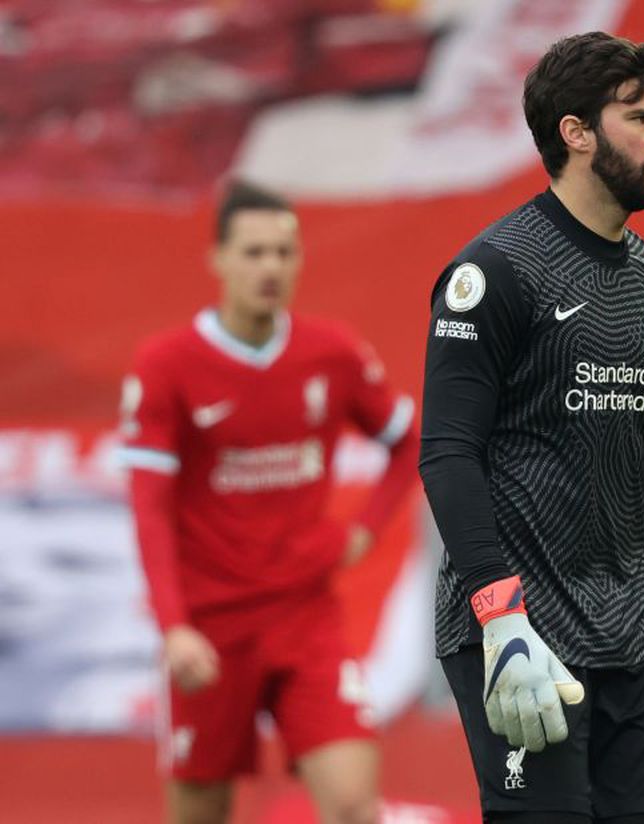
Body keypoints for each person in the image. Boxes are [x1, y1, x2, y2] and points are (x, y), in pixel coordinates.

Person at [419, 31, 644, 824]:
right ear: (576, 133)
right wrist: (500, 617)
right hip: (522, 630)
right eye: (642, 117)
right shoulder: (495, 273)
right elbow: (447, 453)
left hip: (629, 630)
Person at [118, 180, 417, 824]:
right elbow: (149, 508)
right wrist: (173, 627)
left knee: (354, 809)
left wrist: (362, 532)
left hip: (307, 618)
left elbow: (406, 439)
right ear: (218, 259)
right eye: (253, 253)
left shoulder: (331, 353)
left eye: (283, 253)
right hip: (211, 629)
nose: (270, 268)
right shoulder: (167, 365)